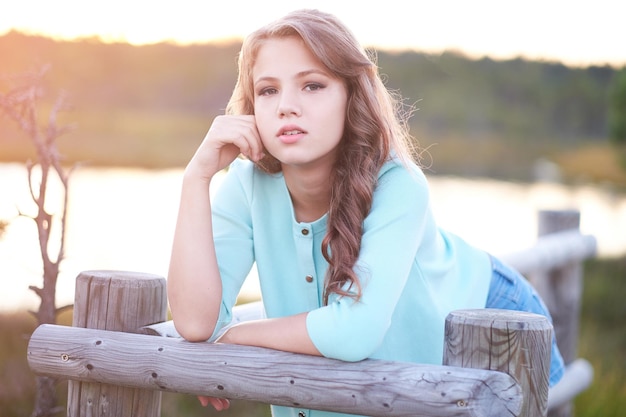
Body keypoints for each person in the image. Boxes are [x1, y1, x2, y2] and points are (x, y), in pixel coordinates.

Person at [167, 8, 564, 416]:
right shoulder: (246, 183)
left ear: (351, 95)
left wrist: (236, 336)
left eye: (313, 85)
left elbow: (355, 331)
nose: (286, 105)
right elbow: (197, 324)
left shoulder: (398, 183)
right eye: (268, 90)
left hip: (491, 319)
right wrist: (196, 178)